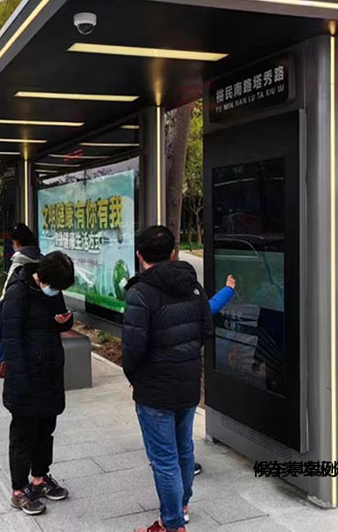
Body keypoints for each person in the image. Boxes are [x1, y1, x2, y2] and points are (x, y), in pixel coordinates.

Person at [122, 225, 214, 532]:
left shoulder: (140, 293)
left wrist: (136, 378)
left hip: (154, 390)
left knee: (164, 459)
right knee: (184, 449)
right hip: (187, 383)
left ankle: (172, 524)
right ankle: (181, 507)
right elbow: (207, 331)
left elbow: (133, 349)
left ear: (139, 255)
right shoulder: (193, 286)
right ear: (173, 253)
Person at [1, 250, 75, 515]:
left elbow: (58, 320)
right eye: (55, 286)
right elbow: (11, 339)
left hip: (49, 373)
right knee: (23, 435)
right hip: (25, 377)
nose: (56, 291)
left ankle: (40, 479)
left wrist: (65, 321)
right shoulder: (18, 292)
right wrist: (21, 381)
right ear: (43, 277)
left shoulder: (52, 289)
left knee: (45, 430)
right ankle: (19, 490)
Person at [193, 273, 237, 477]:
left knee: (160, 425)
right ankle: (183, 465)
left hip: (155, 379)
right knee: (181, 424)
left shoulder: (145, 297)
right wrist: (228, 289)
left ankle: (161, 459)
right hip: (184, 375)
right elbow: (208, 308)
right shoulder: (189, 302)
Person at [2, 223, 43, 297]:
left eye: (13, 243)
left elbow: (7, 290)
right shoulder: (43, 260)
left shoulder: (18, 263)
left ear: (17, 243)